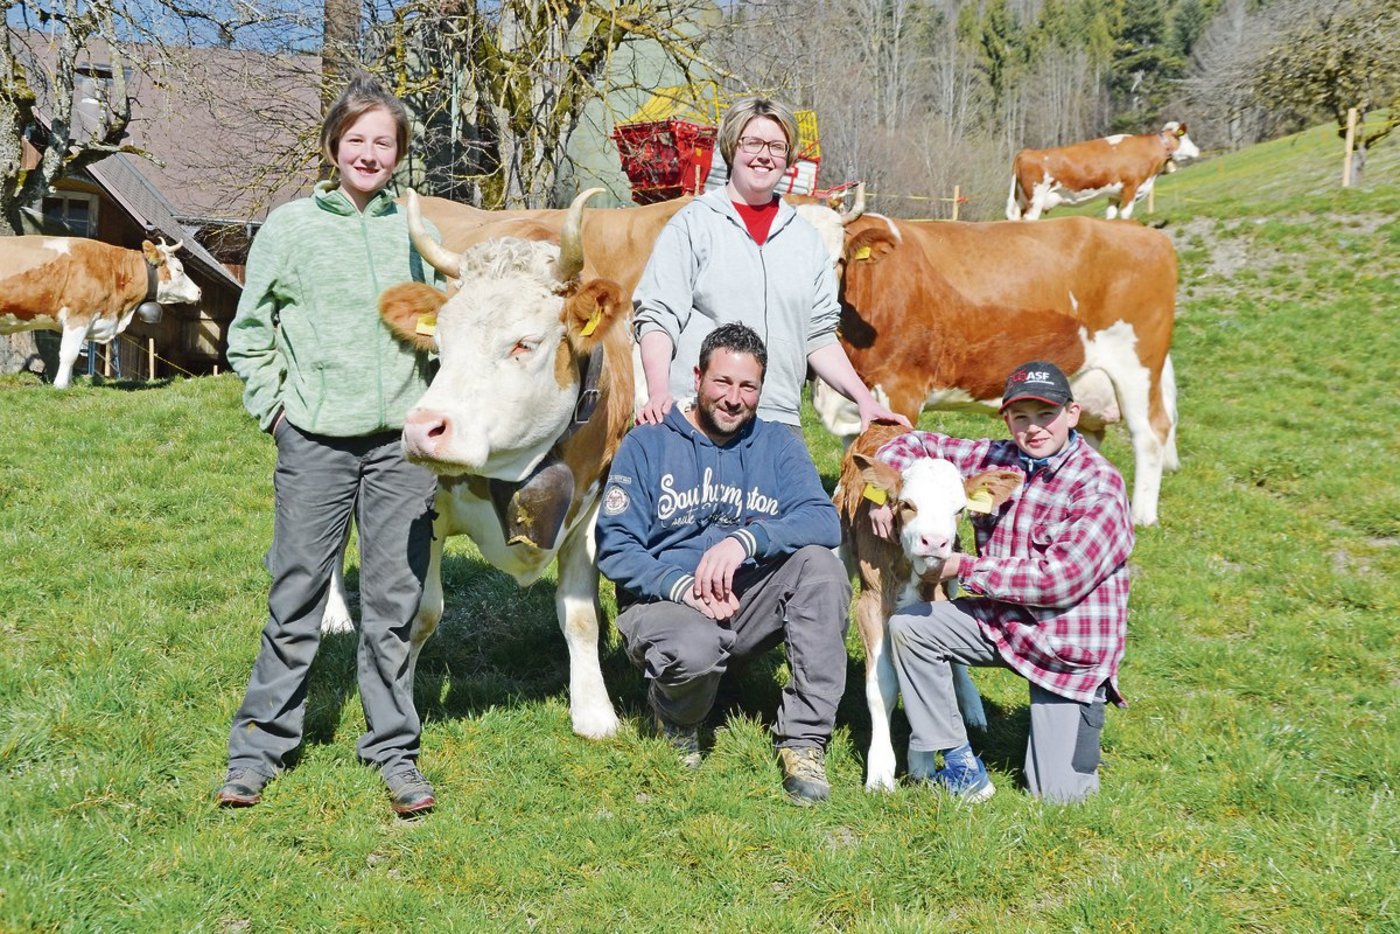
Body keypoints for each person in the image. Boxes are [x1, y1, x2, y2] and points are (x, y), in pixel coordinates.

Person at [214, 74, 442, 817]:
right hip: (312, 439)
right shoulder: (290, 226)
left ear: (399, 152)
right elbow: (248, 333)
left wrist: (435, 404)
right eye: (357, 140)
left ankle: (393, 751)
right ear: (333, 146)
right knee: (297, 596)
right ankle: (258, 751)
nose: (369, 153)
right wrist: (275, 411)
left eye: (384, 141)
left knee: (393, 604)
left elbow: (447, 327)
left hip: (400, 447)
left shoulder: (417, 229)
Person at [596, 324, 852, 805]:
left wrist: (747, 539)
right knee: (692, 646)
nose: (734, 398)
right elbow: (615, 546)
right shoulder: (647, 444)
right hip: (665, 601)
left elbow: (823, 520)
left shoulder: (776, 444)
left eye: (747, 386)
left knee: (822, 569)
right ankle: (677, 718)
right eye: (722, 382)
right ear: (696, 377)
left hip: (746, 600)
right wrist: (681, 587)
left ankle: (804, 740)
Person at [871, 361, 1133, 803]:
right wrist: (886, 496)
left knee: (1062, 799)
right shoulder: (997, 460)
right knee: (909, 627)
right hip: (1002, 622)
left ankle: (1083, 712)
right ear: (1007, 419)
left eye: (1045, 414)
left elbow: (1059, 581)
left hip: (1065, 648)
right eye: (1021, 417)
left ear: (1072, 414)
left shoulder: (1099, 485)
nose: (1033, 429)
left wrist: (964, 569)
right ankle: (960, 765)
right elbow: (912, 443)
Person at [631, 96, 905, 435]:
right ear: (733, 147)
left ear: (788, 158)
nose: (765, 155)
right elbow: (658, 316)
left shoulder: (805, 239)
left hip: (777, 424)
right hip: (699, 419)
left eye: (777, 146)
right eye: (753, 143)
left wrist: (864, 400)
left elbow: (818, 335)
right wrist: (659, 393)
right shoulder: (693, 224)